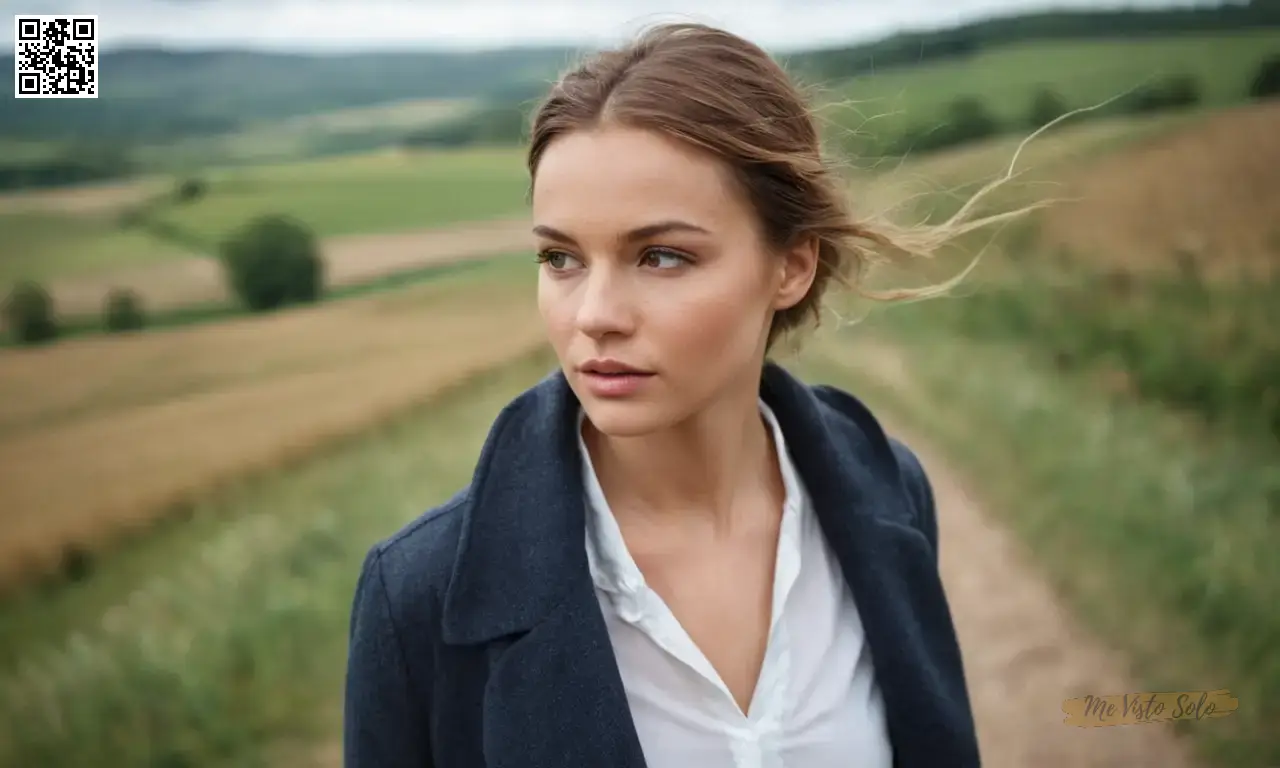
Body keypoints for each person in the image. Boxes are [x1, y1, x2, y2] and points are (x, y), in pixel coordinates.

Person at [344, 21, 996, 768]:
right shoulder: (419, 593)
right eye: (560, 258)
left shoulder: (889, 493)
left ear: (791, 265)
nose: (595, 315)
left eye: (660, 256)